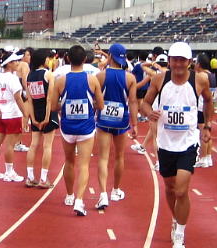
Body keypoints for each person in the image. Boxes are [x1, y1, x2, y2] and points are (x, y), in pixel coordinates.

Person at [142, 42, 213, 248]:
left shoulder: (199, 80)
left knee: (182, 189)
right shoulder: (159, 79)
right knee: (170, 188)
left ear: (189, 62)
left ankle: (180, 234)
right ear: (170, 61)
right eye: (175, 60)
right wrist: (149, 113)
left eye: (183, 60)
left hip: (188, 142)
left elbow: (209, 101)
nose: (178, 64)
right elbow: (145, 102)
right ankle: (176, 219)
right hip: (165, 142)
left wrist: (207, 125)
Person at [52, 45, 104, 216]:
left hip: (67, 127)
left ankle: (69, 195)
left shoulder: (60, 80)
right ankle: (79, 201)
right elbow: (101, 105)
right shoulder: (92, 80)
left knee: (69, 162)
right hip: (86, 128)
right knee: (84, 165)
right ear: (85, 60)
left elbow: (53, 106)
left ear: (67, 59)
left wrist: (65, 106)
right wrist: (89, 105)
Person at [95, 43, 138, 207]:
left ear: (110, 56)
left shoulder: (100, 76)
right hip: (121, 121)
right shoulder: (130, 78)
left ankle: (103, 194)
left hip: (103, 119)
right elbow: (133, 102)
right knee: (119, 156)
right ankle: (115, 190)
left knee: (103, 157)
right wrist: (135, 124)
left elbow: (95, 100)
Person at [0, 52, 28, 182]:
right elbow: (18, 98)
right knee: (10, 145)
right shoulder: (13, 79)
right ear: (9, 63)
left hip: (0, 114)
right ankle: (9, 172)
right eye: (15, 61)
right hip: (12, 115)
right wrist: (25, 114)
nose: (17, 63)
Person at [25, 49, 59, 188]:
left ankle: (30, 177)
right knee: (47, 146)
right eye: (46, 59)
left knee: (33, 145)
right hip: (47, 113)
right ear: (42, 60)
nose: (48, 61)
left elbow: (29, 100)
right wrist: (46, 118)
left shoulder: (29, 76)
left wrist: (33, 118)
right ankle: (43, 179)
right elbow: (50, 99)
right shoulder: (48, 74)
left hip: (36, 113)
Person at [193, 53, 216, 168]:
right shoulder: (212, 75)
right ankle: (208, 156)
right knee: (207, 131)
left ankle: (202, 158)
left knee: (202, 133)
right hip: (209, 106)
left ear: (199, 64)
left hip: (202, 107)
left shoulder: (202, 76)